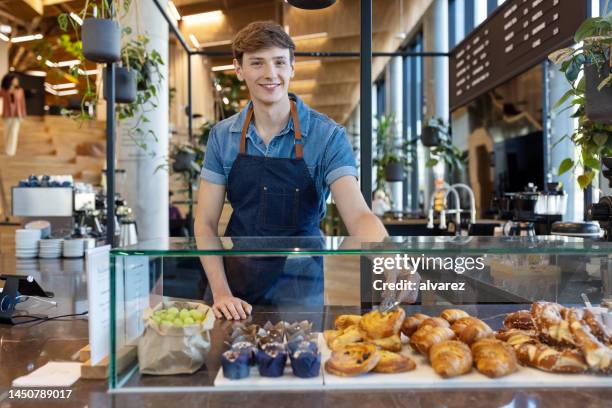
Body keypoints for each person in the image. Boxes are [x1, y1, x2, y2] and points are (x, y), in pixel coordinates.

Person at [194, 21, 390, 321]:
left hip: (301, 286)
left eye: (279, 62)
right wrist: (221, 292)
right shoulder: (222, 136)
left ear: (292, 67)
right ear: (239, 69)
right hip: (235, 286)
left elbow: (359, 215)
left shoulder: (327, 136)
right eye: (257, 63)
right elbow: (205, 222)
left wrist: (391, 259)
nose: (270, 74)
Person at [0, 73, 26, 156]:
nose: (17, 81)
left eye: (17, 80)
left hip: (17, 115)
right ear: (10, 80)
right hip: (7, 114)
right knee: (7, 132)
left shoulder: (20, 90)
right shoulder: (4, 90)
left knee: (14, 132)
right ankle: (7, 149)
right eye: (15, 80)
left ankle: (11, 151)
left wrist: (23, 115)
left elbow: (22, 103)